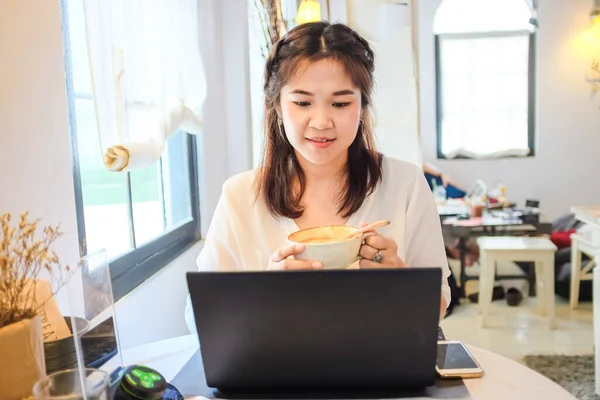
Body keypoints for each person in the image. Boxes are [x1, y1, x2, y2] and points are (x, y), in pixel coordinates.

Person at [185, 21, 451, 332]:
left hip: (381, 372)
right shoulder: (240, 195)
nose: (322, 122)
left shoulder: (405, 184)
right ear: (278, 107)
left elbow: (439, 306)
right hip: (273, 373)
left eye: (340, 103)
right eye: (302, 102)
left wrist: (401, 280)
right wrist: (264, 293)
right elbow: (198, 319)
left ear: (362, 106)